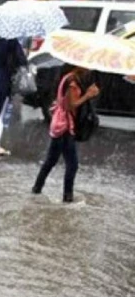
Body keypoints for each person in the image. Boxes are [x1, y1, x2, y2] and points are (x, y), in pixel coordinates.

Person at [32, 67, 100, 203]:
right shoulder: (73, 82)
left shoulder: (68, 77)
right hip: (65, 127)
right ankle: (67, 197)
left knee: (50, 161)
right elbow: (71, 106)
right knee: (72, 164)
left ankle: (37, 188)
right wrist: (88, 95)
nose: (88, 69)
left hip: (60, 124)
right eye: (86, 66)